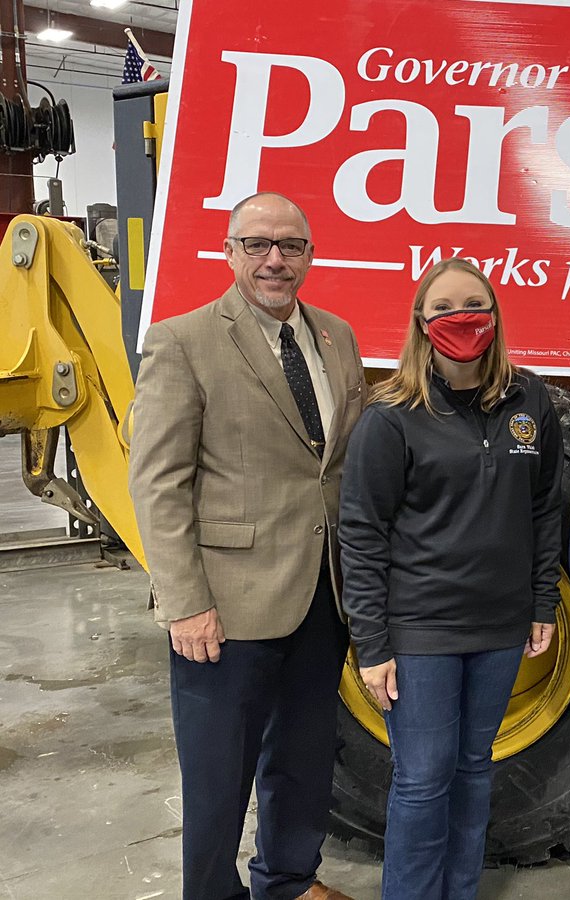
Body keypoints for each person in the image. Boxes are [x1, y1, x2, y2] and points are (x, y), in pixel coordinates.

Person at [129, 192, 364, 900]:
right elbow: (159, 483)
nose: (274, 260)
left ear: (310, 256)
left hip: (322, 593)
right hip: (224, 608)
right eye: (257, 244)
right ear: (229, 252)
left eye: (291, 245)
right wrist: (185, 603)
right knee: (217, 775)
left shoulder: (337, 337)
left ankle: (288, 880)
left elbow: (338, 466)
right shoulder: (183, 341)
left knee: (304, 757)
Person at [338, 258, 563, 900]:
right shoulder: (391, 417)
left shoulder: (530, 400)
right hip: (421, 632)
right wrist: (371, 643)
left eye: (474, 305)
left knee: (473, 769)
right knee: (422, 779)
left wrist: (541, 602)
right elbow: (362, 533)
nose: (461, 318)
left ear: (494, 317)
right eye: (443, 308)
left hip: (500, 628)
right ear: (421, 322)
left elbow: (544, 509)